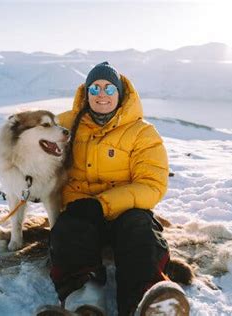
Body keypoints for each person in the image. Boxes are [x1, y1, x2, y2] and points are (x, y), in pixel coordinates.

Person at [37, 62, 189, 316]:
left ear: (120, 94)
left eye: (109, 88)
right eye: (94, 89)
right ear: (86, 94)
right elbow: (32, 145)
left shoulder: (143, 133)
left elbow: (152, 185)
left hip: (126, 211)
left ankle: (143, 304)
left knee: (140, 232)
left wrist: (102, 204)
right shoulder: (66, 124)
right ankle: (84, 304)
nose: (102, 95)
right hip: (80, 209)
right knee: (68, 231)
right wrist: (33, 182)